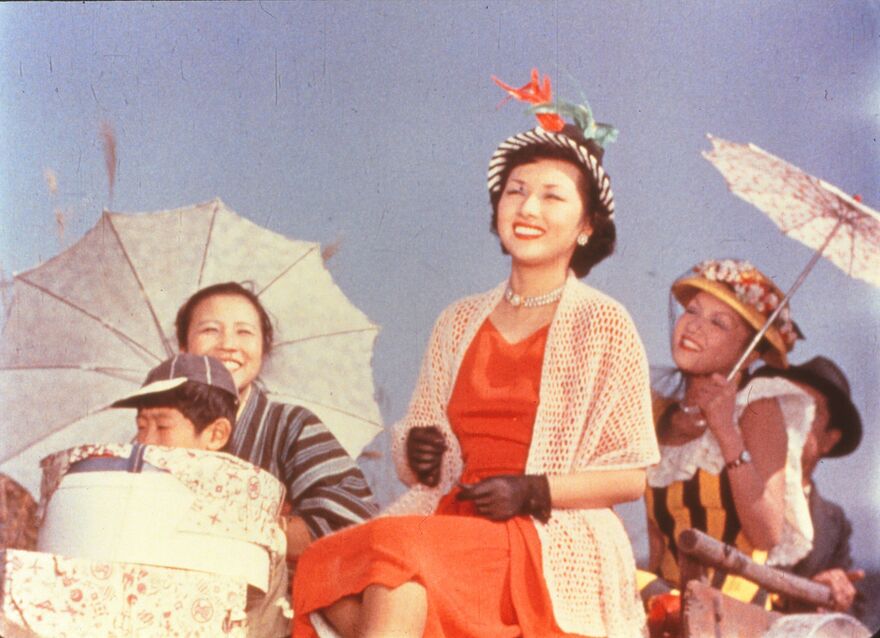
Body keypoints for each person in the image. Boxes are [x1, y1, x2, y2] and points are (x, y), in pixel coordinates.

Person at [291, 70, 660, 638]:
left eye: (552, 196)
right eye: (515, 191)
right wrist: (418, 449)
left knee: (390, 557)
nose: (528, 206)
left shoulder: (604, 323)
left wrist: (532, 489)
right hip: (446, 523)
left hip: (542, 535)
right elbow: (419, 452)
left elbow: (629, 475)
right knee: (329, 563)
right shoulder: (458, 319)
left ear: (586, 227)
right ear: (496, 210)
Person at [643, 258, 811, 610]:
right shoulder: (659, 414)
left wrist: (725, 432)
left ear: (747, 353)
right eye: (692, 311)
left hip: (735, 617)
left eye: (718, 322)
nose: (693, 328)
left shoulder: (757, 410)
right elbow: (657, 542)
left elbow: (767, 533)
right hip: (667, 611)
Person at [174, 281, 378, 560]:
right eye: (210, 330)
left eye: (244, 332)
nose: (228, 345)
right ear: (183, 348)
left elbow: (352, 521)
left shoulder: (292, 425)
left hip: (275, 591)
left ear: (264, 349)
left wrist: (251, 526)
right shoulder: (159, 430)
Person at [752, 355, 865, 614]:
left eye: (809, 408)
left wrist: (832, 595)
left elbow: (851, 613)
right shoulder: (735, 484)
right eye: (784, 400)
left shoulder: (834, 522)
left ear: (829, 440)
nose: (791, 414)